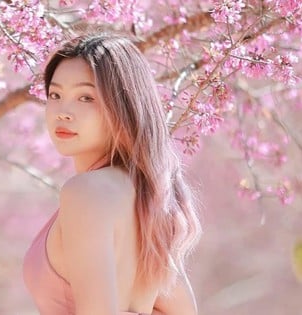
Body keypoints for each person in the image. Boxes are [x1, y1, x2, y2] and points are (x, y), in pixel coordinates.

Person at [22, 32, 202, 315]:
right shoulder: (150, 199)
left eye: (86, 97)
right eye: (55, 95)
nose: (63, 112)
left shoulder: (87, 192)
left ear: (124, 106)